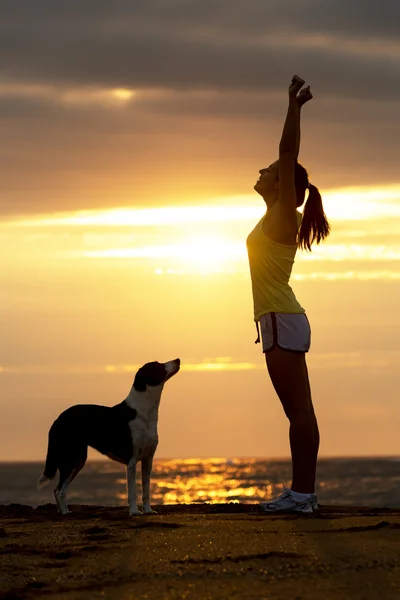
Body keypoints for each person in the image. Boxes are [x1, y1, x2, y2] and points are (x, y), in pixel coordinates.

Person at [246, 75, 331, 513]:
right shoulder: (275, 218)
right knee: (300, 411)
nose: (261, 172)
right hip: (281, 319)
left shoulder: (283, 217)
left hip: (281, 318)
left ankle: (302, 496)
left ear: (281, 184)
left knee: (300, 412)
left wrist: (293, 105)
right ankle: (302, 493)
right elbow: (284, 160)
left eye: (270, 170)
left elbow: (287, 153)